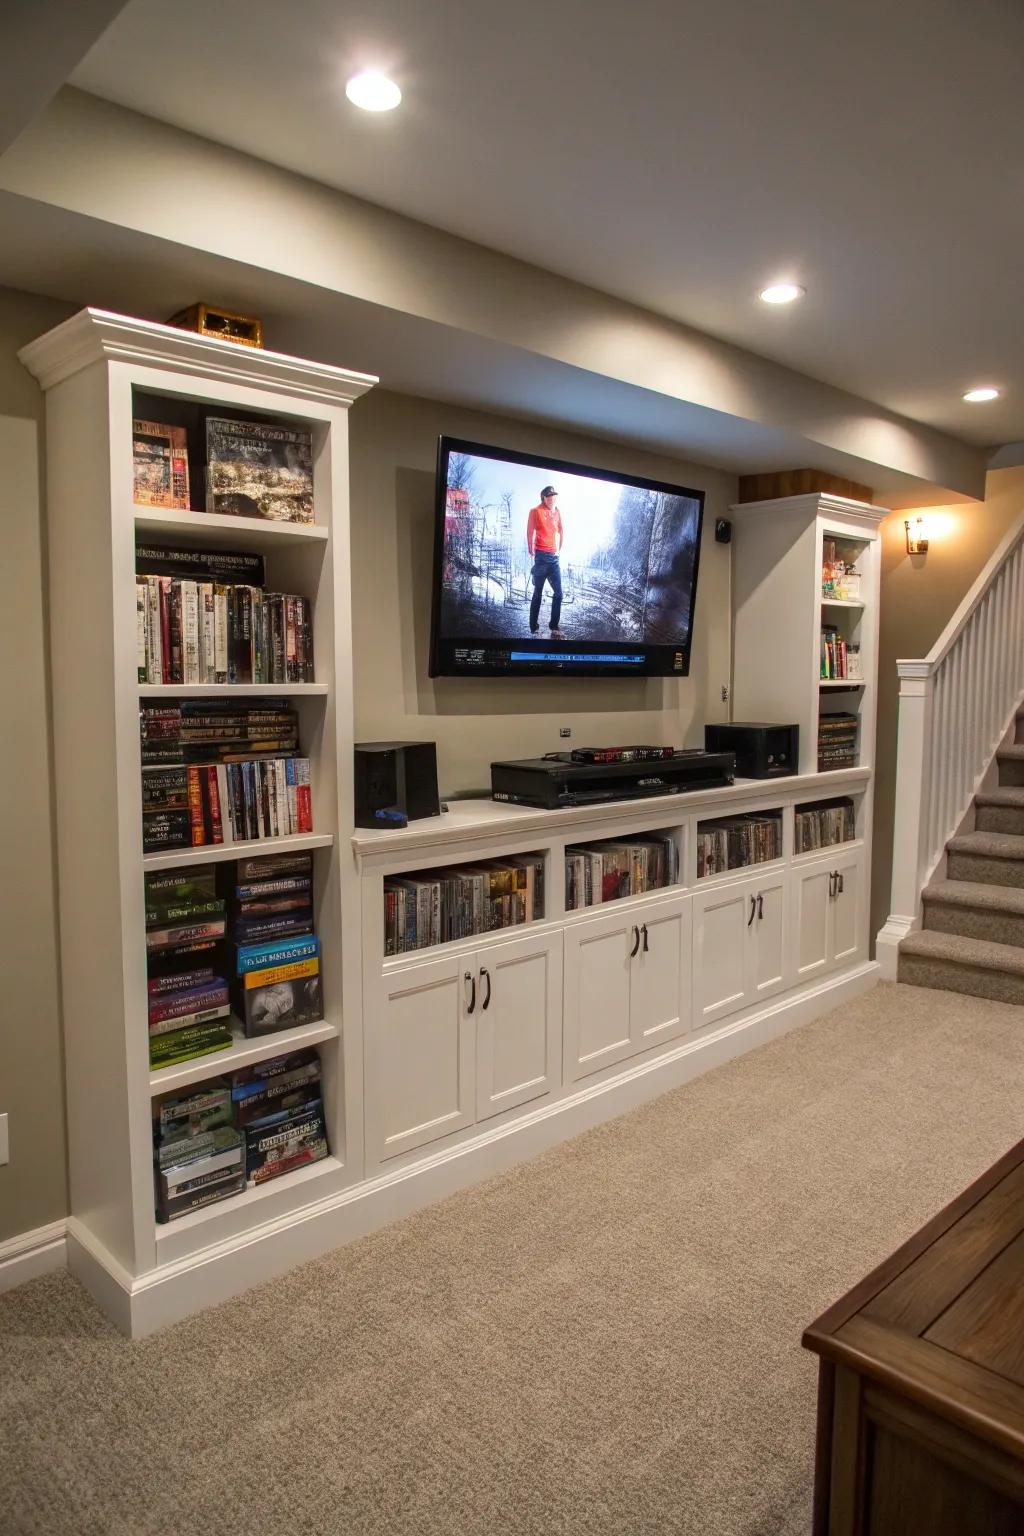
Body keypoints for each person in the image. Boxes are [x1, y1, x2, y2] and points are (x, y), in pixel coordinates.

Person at [526, 485, 565, 637]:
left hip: (554, 558)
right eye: (549, 496)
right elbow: (529, 531)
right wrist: (531, 549)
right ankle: (533, 626)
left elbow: (561, 529)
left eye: (554, 496)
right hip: (541, 557)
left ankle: (553, 625)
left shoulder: (557, 511)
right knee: (538, 593)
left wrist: (559, 548)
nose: (552, 498)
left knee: (559, 594)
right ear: (543, 498)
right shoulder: (535, 511)